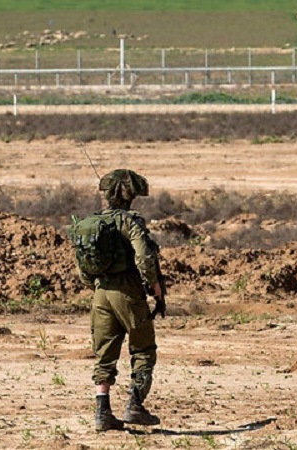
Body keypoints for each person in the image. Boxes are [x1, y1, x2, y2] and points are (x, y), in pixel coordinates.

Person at [78, 169, 166, 432]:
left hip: (100, 293)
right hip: (127, 291)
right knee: (143, 348)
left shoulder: (91, 224)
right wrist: (155, 288)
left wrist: (98, 285)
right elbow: (144, 258)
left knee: (104, 355)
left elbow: (83, 269)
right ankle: (135, 405)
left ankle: (102, 413)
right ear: (130, 195)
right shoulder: (130, 222)